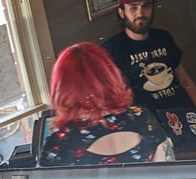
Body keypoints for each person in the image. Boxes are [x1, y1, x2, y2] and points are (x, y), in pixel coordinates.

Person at [39, 42, 172, 166]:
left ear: (62, 88)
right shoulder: (142, 116)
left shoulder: (60, 143)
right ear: (110, 77)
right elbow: (170, 175)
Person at [101, 0, 196, 112]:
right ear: (122, 12)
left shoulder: (163, 37)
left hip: (185, 112)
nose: (140, 14)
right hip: (149, 122)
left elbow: (185, 80)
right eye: (133, 8)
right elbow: (110, 99)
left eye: (146, 6)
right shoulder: (111, 49)